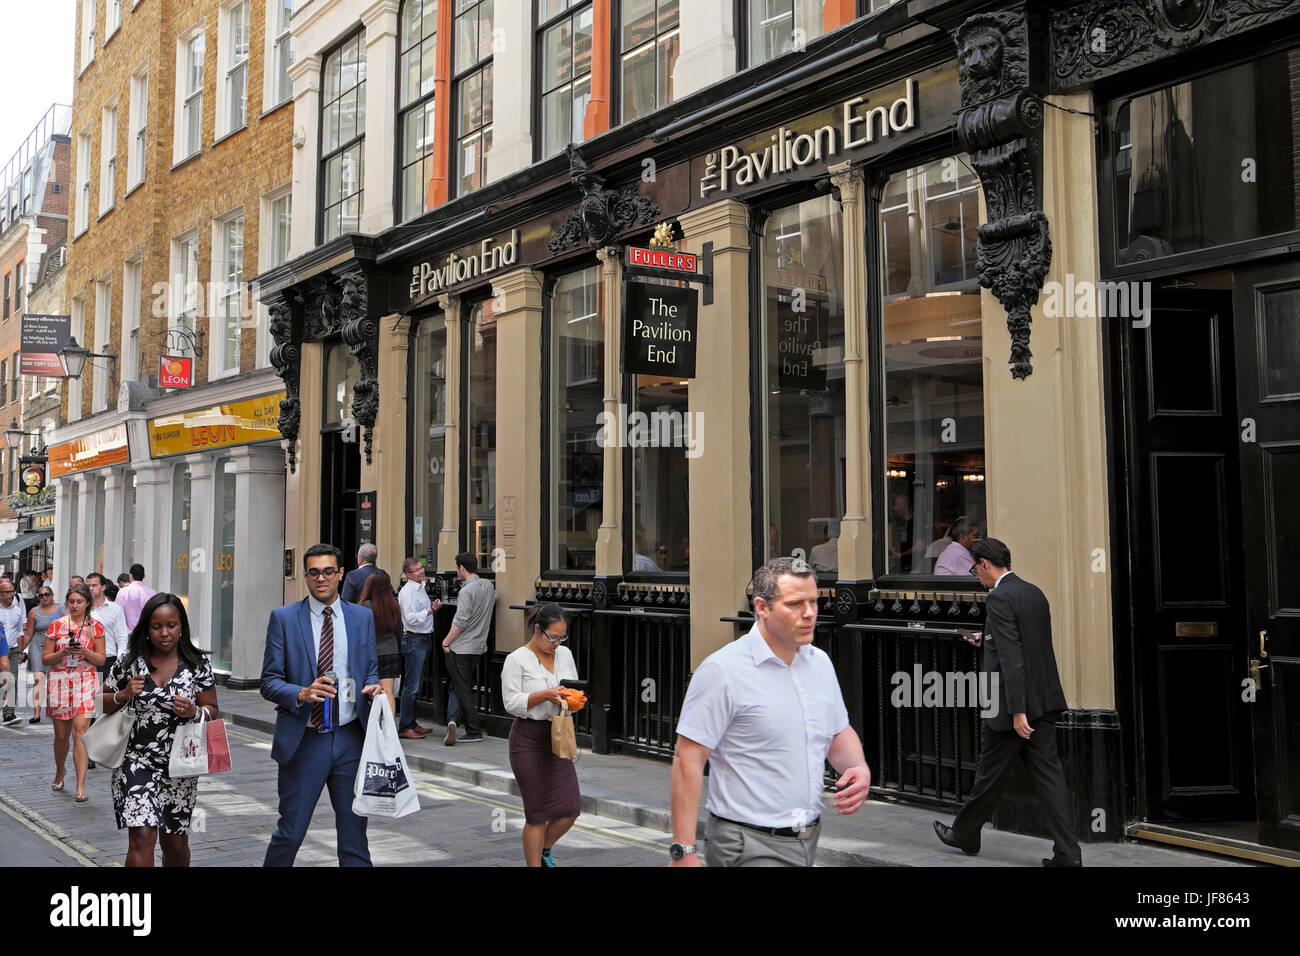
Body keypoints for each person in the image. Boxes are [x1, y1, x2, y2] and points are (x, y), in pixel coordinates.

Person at [669, 557, 872, 867]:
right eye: (794, 604)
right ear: (762, 607)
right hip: (747, 843)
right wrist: (683, 851)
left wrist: (857, 765)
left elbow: (836, 730)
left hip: (806, 838)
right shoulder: (722, 670)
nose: (809, 613)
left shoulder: (820, 663)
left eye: (813, 602)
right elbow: (688, 759)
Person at [933, 537, 1082, 867]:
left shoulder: (999, 597)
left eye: (976, 569)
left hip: (1011, 705)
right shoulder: (1034, 592)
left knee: (988, 774)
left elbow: (1014, 659)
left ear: (985, 563)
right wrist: (984, 639)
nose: (976, 576)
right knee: (1050, 779)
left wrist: (1017, 711)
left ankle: (965, 833)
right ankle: (1069, 855)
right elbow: (1030, 646)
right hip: (1044, 701)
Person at [261, 544, 383, 867]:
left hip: (350, 739)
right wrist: (301, 692)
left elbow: (370, 670)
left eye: (329, 571)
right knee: (290, 833)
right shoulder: (284, 619)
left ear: (341, 574)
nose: (321, 579)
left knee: (355, 838)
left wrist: (374, 689)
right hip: (305, 740)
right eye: (314, 572)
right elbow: (269, 681)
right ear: (305, 576)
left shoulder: (361, 618)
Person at [101, 593, 218, 867]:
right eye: (157, 627)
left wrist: (194, 711)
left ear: (181, 627)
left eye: (172, 625)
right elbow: (100, 702)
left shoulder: (196, 665)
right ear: (146, 628)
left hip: (180, 766)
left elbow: (212, 709)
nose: (165, 633)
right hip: (135, 761)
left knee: (174, 844)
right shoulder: (129, 663)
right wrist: (123, 694)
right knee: (141, 837)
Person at [501, 603, 582, 867]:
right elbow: (511, 703)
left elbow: (572, 690)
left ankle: (544, 849)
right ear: (538, 629)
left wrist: (573, 700)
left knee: (570, 808)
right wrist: (544, 695)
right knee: (536, 813)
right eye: (553, 637)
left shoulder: (565, 655)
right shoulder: (516, 660)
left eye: (562, 637)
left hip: (558, 735)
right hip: (527, 740)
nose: (557, 643)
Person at [43, 583, 106, 803]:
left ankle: (81, 785)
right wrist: (64, 651)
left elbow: (100, 659)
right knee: (61, 736)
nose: (75, 605)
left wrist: (86, 651)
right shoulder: (56, 626)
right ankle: (60, 771)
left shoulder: (95, 627)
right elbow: (45, 659)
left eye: (79, 601)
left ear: (87, 602)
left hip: (85, 682)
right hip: (60, 682)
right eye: (71, 601)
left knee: (80, 733)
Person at [435, 552, 495, 745]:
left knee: (462, 688)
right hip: (478, 647)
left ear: (461, 568)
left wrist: (445, 642)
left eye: (457, 568)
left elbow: (460, 622)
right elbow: (494, 599)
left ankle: (473, 729)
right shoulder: (488, 585)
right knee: (458, 684)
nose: (457, 572)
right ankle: (453, 719)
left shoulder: (465, 592)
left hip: (460, 647)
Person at [396, 557, 436, 739]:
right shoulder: (408, 592)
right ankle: (405, 726)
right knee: (411, 685)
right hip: (414, 640)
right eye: (416, 570)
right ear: (408, 575)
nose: (421, 572)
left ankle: (412, 722)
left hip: (423, 639)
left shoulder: (420, 587)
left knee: (416, 684)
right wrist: (430, 611)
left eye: (421, 568)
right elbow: (410, 618)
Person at [358, 569, 402, 716]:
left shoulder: (364, 607)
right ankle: (390, 729)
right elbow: (399, 631)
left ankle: (374, 726)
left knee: (372, 691)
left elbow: (360, 633)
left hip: (371, 653)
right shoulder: (394, 605)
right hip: (390, 650)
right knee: (388, 692)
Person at [22, 585, 61, 724]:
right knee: (38, 679)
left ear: (52, 595)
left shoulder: (60, 609)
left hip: (55, 646)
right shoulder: (34, 612)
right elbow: (28, 633)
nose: (44, 597)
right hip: (37, 645)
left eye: (47, 594)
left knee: (54, 679)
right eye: (41, 595)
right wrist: (21, 651)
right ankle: (36, 713)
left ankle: (53, 709)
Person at [87, 573, 131, 693]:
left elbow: (122, 637)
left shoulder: (115, 609)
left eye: (94, 585)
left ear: (103, 587)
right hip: (85, 661)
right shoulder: (82, 608)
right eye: (88, 586)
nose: (91, 588)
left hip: (108, 661)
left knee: (103, 702)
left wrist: (120, 662)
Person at [0, 578, 25, 725]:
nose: (11, 594)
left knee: (12, 680)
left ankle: (9, 713)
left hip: (13, 650)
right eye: (8, 592)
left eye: (12, 591)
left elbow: (20, 631)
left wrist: (20, 651)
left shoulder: (17, 611)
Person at [116, 564, 158, 632]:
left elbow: (118, 615)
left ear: (130, 576)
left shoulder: (123, 592)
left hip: (128, 635)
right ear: (144, 576)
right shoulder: (152, 593)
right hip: (146, 634)